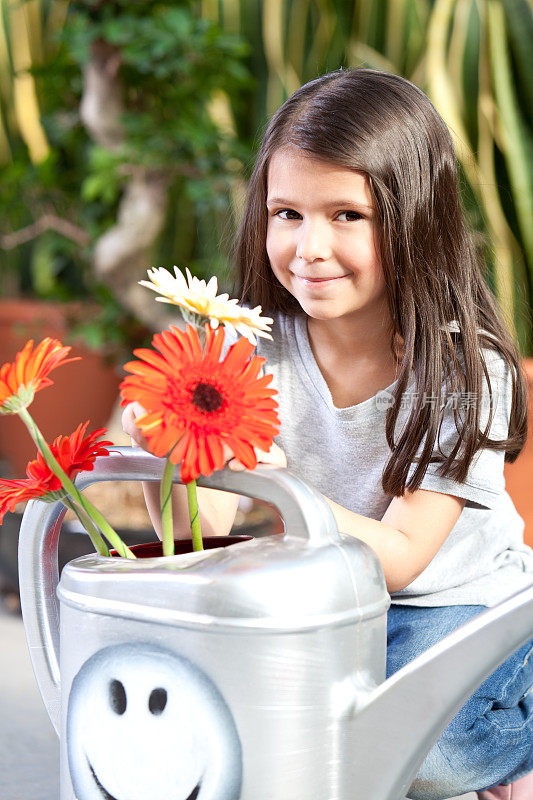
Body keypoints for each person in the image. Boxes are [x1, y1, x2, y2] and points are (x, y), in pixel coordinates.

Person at [123, 68, 533, 800]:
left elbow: (405, 560)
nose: (309, 247)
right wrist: (181, 449)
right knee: (247, 708)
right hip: (322, 596)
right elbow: (200, 537)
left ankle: (513, 738)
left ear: (413, 218)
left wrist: (279, 479)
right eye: (287, 213)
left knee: (411, 745)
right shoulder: (250, 351)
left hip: (454, 604)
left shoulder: (462, 369)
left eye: (347, 215)